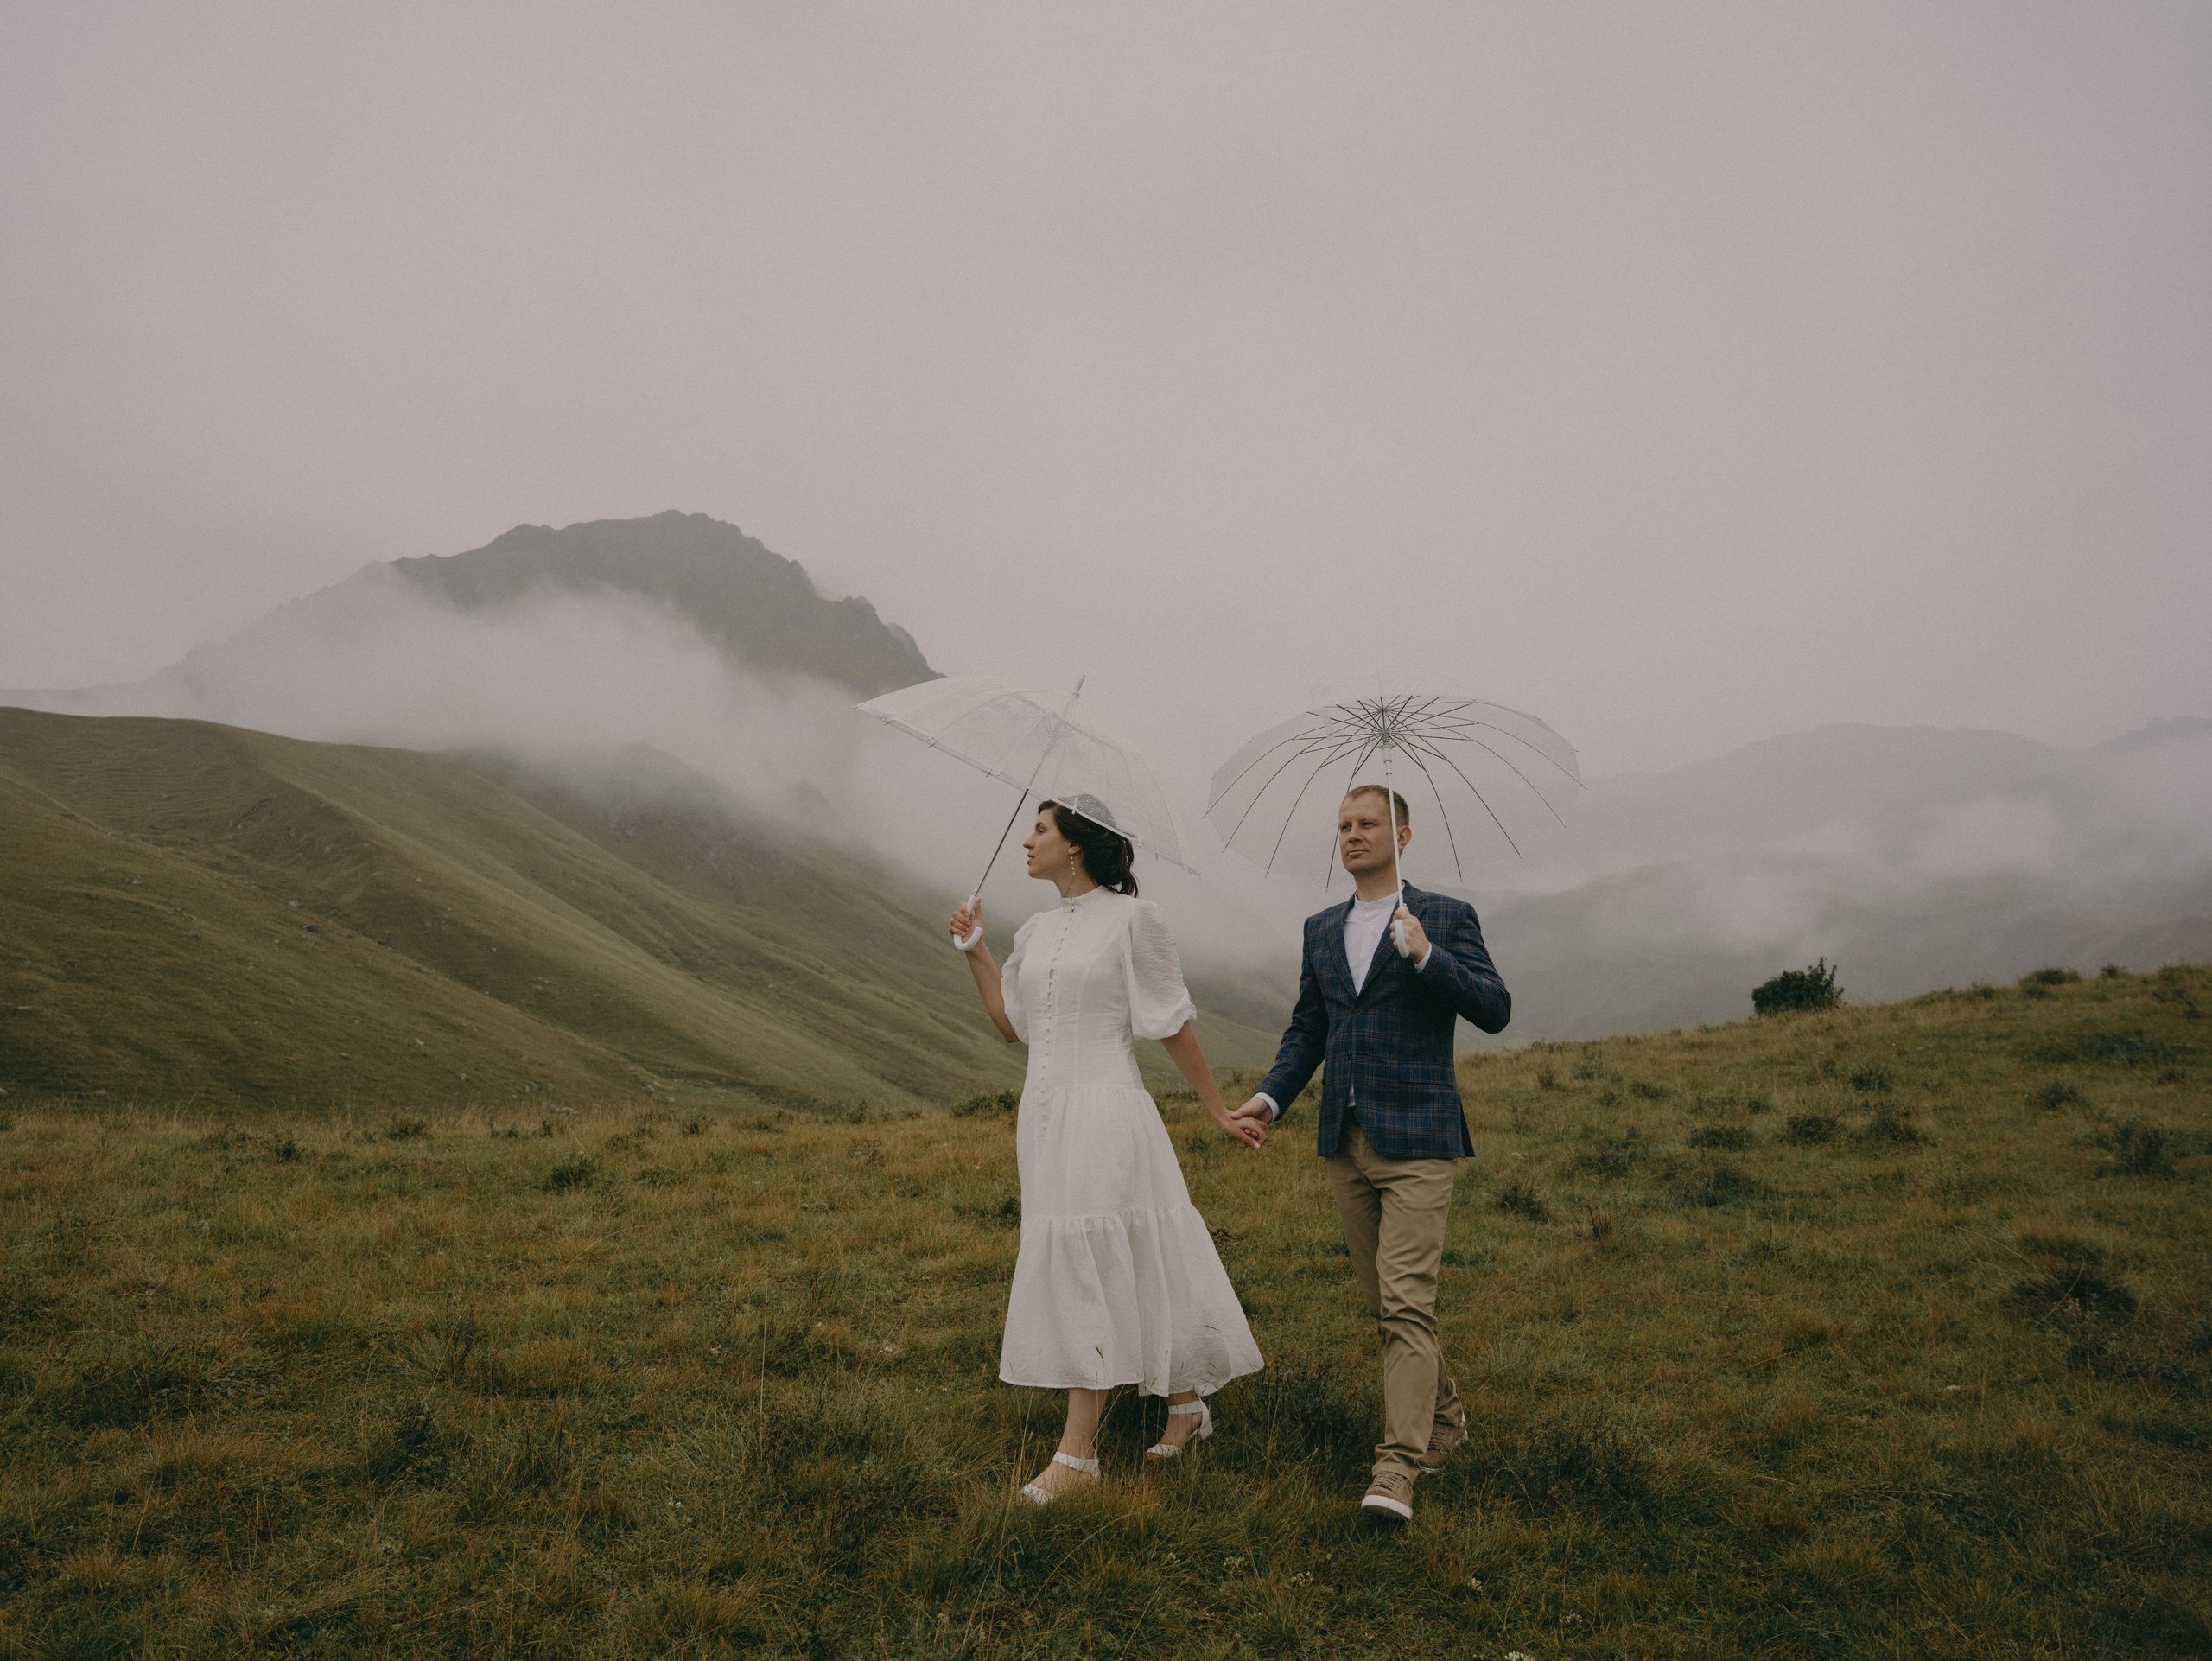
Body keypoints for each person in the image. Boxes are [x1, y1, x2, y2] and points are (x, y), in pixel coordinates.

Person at [950, 794, 1264, 1505]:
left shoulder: (1134, 920)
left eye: (1040, 830)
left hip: (1107, 1108)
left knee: (1086, 1262)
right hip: (1044, 1114)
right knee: (1128, 1253)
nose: (1027, 842)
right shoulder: (1035, 928)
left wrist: (1215, 1108)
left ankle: (1078, 1454)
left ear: (1078, 845)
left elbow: (1170, 1020)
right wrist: (978, 952)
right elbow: (1013, 1026)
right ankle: (1185, 1404)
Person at [1230, 785, 1510, 1523]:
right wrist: (1268, 1099)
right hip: (1343, 1144)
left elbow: (1494, 1007)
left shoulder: (1444, 917)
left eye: (1368, 824)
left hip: (1419, 1137)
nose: (1352, 836)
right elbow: (1308, 1032)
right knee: (1384, 1304)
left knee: (1407, 1303)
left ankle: (1397, 1469)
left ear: (1403, 836)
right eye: (1344, 826)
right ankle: (1445, 1416)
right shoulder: (1321, 929)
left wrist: (1427, 957)